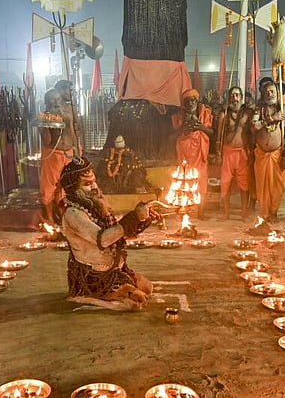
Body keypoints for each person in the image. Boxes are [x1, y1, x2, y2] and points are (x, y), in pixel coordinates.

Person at [59, 157, 155, 311]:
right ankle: (85, 296)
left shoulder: (96, 207)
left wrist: (142, 220)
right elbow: (104, 240)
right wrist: (133, 217)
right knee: (135, 304)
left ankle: (119, 290)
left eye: (94, 181)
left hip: (116, 271)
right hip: (94, 278)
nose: (94, 187)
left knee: (148, 288)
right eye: (87, 184)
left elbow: (119, 233)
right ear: (73, 190)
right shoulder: (73, 214)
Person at [38, 80, 82, 224]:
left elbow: (75, 132)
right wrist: (46, 125)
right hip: (53, 153)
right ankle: (49, 218)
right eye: (51, 102)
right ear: (47, 103)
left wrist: (77, 152)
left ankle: (63, 216)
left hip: (69, 153)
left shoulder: (70, 111)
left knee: (66, 186)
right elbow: (47, 140)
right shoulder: (44, 116)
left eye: (57, 100)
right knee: (49, 186)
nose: (55, 104)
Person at [212, 86, 254, 220]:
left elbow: (251, 133)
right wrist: (218, 153)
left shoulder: (247, 114)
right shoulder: (224, 114)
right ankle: (226, 212)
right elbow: (218, 136)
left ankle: (244, 213)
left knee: (244, 184)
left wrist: (252, 152)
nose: (234, 98)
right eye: (232, 95)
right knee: (226, 183)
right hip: (228, 152)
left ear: (241, 98)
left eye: (237, 95)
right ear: (228, 98)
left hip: (242, 153)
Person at [253, 79, 285, 222]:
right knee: (261, 185)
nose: (269, 94)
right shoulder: (259, 108)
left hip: (278, 153)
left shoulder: (284, 108)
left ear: (277, 93)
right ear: (262, 94)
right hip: (261, 153)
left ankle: (274, 212)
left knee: (278, 185)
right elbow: (254, 126)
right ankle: (265, 214)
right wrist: (271, 119)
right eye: (267, 92)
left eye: (272, 91)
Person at [171, 88, 213, 219]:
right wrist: (183, 128)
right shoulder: (178, 117)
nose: (191, 103)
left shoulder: (205, 113)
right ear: (184, 104)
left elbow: (212, 133)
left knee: (201, 182)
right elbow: (171, 137)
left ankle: (201, 212)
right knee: (184, 182)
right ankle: (184, 210)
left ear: (197, 101)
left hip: (200, 154)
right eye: (188, 101)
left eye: (193, 100)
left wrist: (200, 126)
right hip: (184, 154)